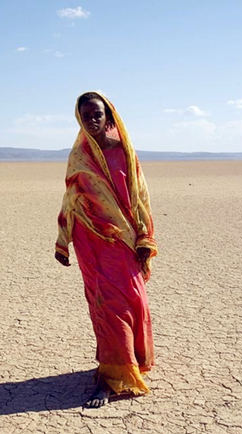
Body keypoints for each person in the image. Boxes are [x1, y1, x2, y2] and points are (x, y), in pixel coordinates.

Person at [55, 91, 158, 408]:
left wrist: (144, 237)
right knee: (107, 305)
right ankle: (110, 376)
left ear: (109, 116)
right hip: (91, 239)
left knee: (133, 299)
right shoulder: (80, 156)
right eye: (85, 116)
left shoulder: (125, 152)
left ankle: (133, 360)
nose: (92, 120)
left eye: (97, 114)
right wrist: (63, 239)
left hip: (124, 239)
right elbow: (71, 198)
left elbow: (139, 195)